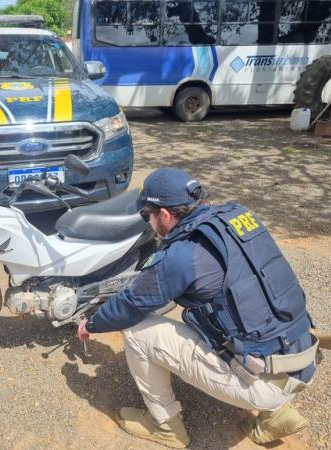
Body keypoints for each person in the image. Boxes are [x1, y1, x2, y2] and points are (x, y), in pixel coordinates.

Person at [77, 167, 318, 448]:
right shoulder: (238, 217)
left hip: (266, 380)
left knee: (136, 329)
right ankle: (277, 413)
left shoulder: (182, 256)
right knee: (236, 313)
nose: (147, 221)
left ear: (164, 215)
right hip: (303, 355)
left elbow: (131, 303)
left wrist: (92, 323)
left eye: (147, 215)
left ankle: (164, 425)